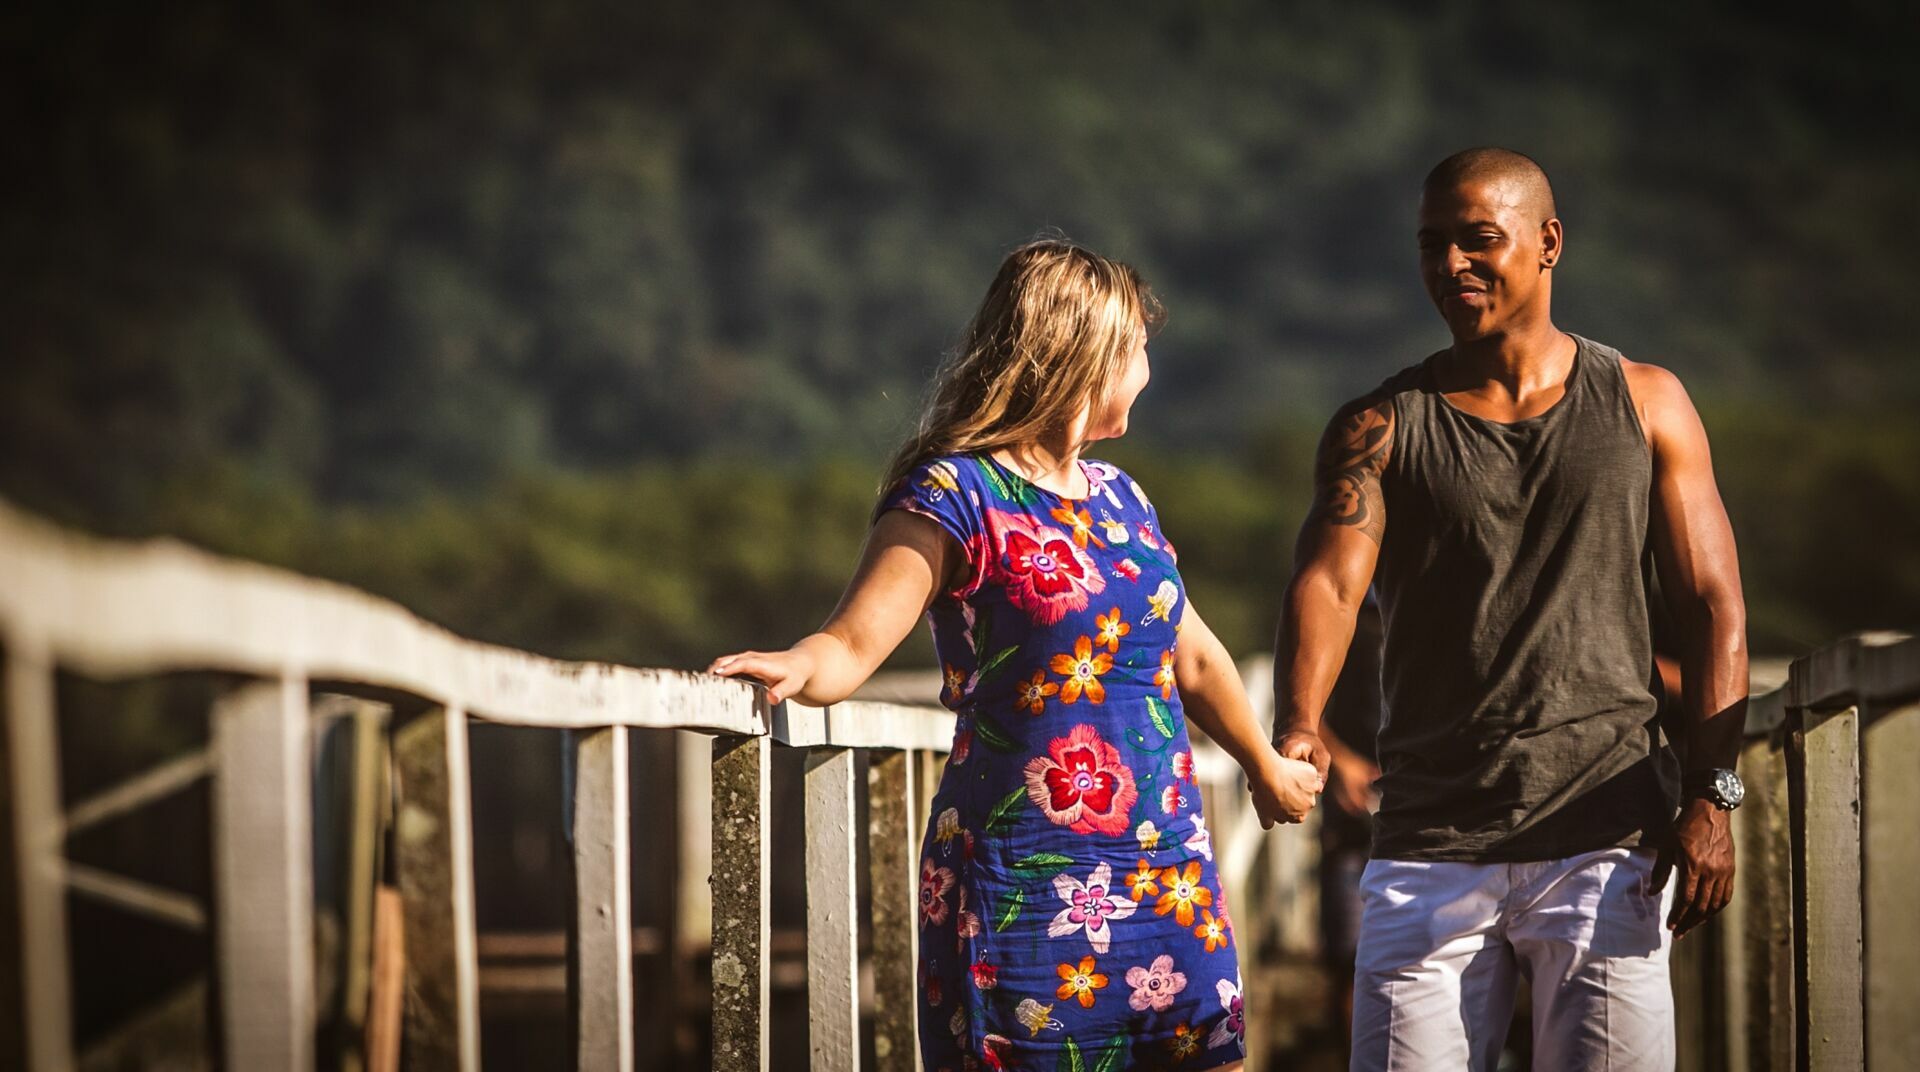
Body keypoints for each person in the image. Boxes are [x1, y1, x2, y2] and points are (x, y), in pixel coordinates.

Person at [712, 238, 1324, 1071]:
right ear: (1088, 354)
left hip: (1167, 879)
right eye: (1139, 348)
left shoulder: (1123, 500)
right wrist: (795, 666)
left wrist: (1262, 764)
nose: (1148, 369)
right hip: (1022, 883)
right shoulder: (952, 494)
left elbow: (1194, 657)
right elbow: (853, 642)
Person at [1270, 148, 1750, 1070]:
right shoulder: (1381, 425)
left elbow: (1712, 603)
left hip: (1607, 843)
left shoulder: (1648, 403)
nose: (1451, 265)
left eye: (1479, 240)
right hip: (1427, 841)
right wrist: (1300, 726)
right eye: (1432, 246)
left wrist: (1712, 794)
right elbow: (1330, 584)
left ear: (1549, 243)